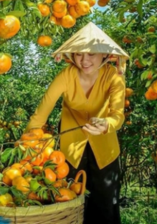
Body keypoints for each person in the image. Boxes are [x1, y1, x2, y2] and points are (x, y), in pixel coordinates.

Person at [26, 22, 129, 224]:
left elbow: (118, 115)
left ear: (104, 55)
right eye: (79, 53)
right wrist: (27, 142)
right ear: (71, 55)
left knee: (106, 205)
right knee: (72, 203)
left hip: (105, 149)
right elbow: (42, 112)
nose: (84, 60)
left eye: (91, 54)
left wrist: (107, 123)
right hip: (71, 148)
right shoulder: (66, 75)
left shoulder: (113, 77)